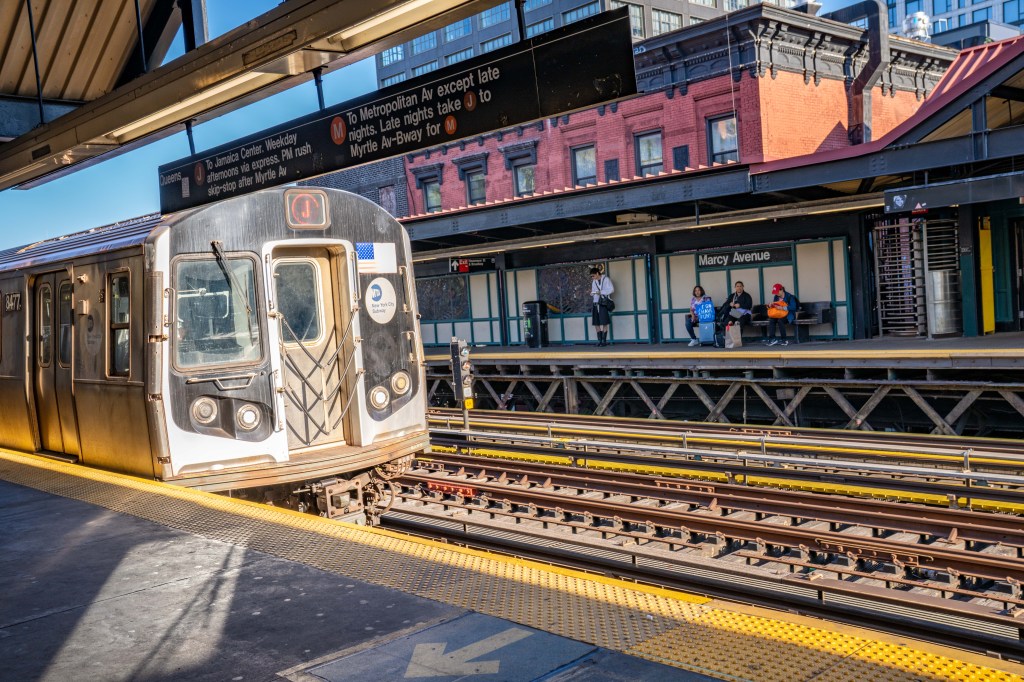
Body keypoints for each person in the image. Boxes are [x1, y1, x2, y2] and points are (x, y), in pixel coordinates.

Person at [589, 266, 614, 346]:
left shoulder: (606, 279)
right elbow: (594, 291)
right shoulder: (594, 281)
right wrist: (592, 293)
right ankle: (599, 341)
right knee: (596, 322)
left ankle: (604, 341)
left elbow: (611, 289)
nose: (592, 277)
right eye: (591, 276)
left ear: (597, 273)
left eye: (593, 276)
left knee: (604, 322)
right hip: (595, 303)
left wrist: (601, 292)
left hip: (603, 303)